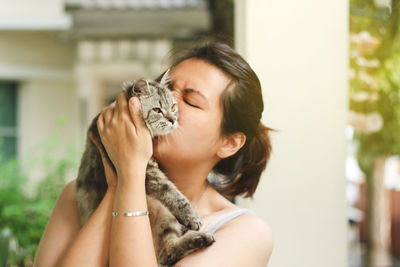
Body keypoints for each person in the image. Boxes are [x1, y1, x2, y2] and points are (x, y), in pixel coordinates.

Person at [33, 42, 274, 267]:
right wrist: (120, 183)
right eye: (166, 89)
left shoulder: (246, 232)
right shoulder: (75, 196)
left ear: (229, 143)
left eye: (190, 101)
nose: (169, 101)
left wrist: (130, 174)